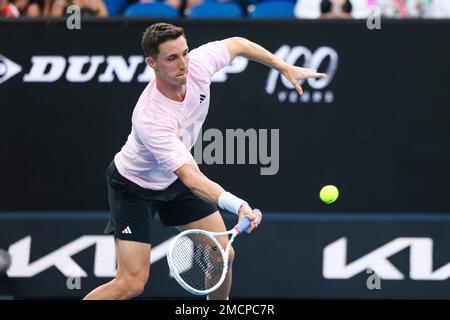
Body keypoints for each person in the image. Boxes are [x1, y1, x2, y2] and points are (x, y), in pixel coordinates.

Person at [83, 22, 326, 300]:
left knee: (223, 256)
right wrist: (238, 205)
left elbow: (238, 44)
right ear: (152, 63)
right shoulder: (151, 117)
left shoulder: (198, 64)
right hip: (133, 187)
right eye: (172, 58)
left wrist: (283, 66)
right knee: (131, 284)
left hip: (172, 181)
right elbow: (192, 178)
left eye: (184, 53)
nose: (183, 63)